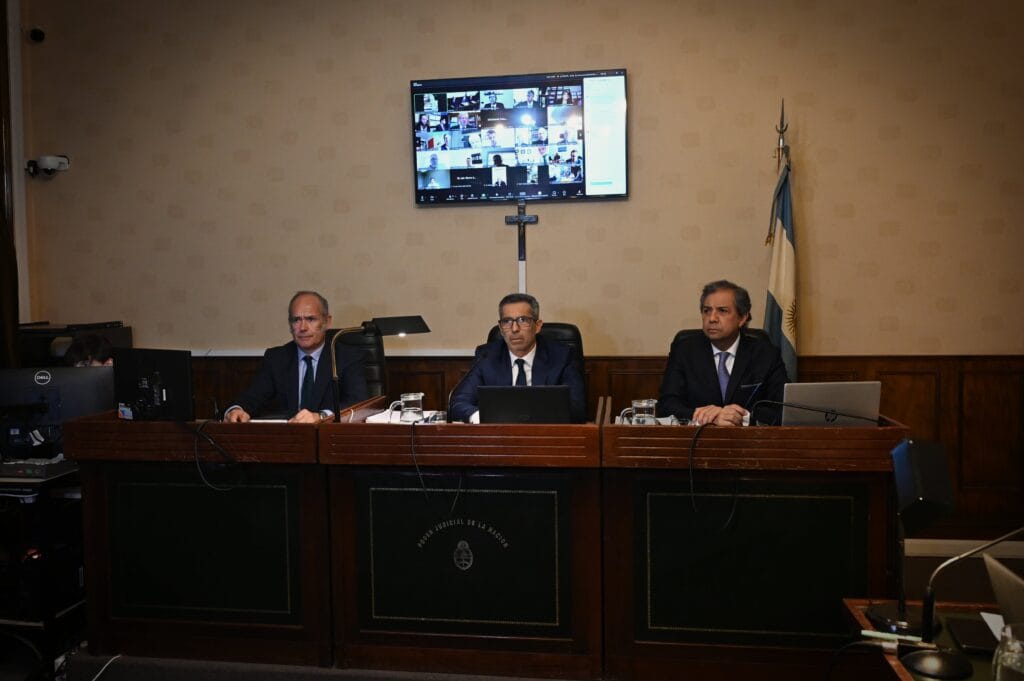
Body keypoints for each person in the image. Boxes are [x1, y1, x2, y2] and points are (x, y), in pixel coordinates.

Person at [224, 291, 368, 424]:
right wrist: (236, 410)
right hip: (288, 441)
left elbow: (359, 403)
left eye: (311, 319)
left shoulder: (348, 357)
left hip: (332, 440)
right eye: (296, 320)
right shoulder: (276, 358)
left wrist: (321, 416)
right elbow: (252, 397)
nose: (303, 327)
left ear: (327, 321)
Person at [658, 280, 788, 426]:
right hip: (697, 440)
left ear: (742, 318)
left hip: (750, 442)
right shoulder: (684, 350)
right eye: (707, 310)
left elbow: (782, 408)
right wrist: (705, 416)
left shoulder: (765, 354)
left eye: (722, 310)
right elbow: (667, 404)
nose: (712, 318)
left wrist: (742, 417)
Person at [449, 293, 586, 423]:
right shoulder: (487, 356)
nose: (514, 329)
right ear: (501, 328)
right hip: (498, 438)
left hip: (546, 438)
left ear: (537, 326)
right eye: (507, 321)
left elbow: (577, 408)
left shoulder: (562, 356)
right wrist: (482, 417)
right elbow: (459, 402)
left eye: (523, 320)